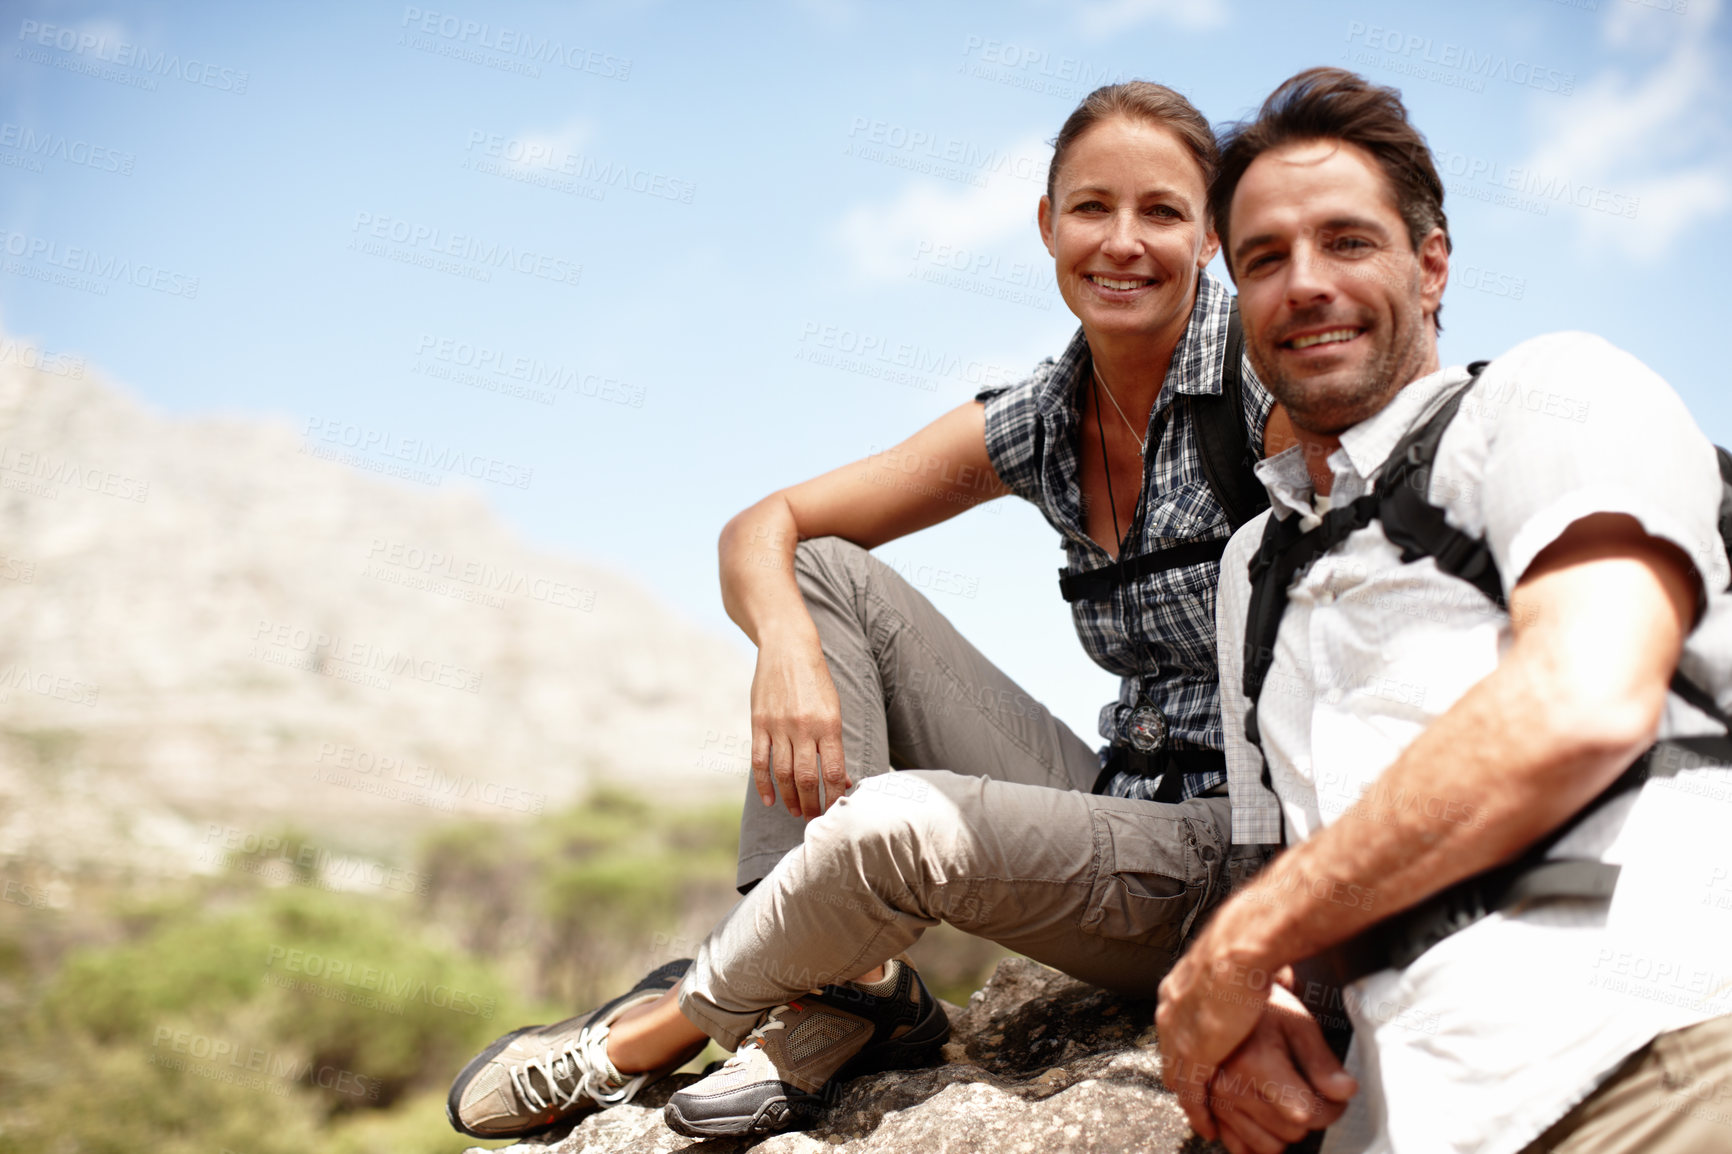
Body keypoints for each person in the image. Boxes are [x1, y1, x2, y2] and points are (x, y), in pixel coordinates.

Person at [447, 80, 1296, 1142]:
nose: (1122, 242)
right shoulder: (1044, 413)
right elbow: (768, 522)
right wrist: (787, 650)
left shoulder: (1269, 381)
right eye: (1091, 208)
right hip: (1123, 800)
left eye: (1162, 212)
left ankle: (663, 1025)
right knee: (823, 571)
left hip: (1241, 856)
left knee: (902, 827)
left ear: (1210, 234)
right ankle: (833, 984)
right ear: (1045, 225)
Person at [1154, 67, 1732, 1154]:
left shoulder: (1551, 392)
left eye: (1348, 241)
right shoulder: (1250, 570)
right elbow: (1293, 865)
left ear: (1430, 266)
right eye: (1264, 259)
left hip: (1658, 1050)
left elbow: (1584, 695)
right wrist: (1268, 999)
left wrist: (1243, 944)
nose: (1306, 283)